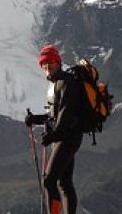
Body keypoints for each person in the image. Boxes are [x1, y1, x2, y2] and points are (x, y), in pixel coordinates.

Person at [25, 45, 83, 214]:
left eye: (50, 62)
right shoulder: (55, 84)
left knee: (49, 181)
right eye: (44, 64)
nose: (47, 67)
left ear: (58, 62)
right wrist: (35, 119)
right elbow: (54, 114)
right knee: (64, 183)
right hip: (64, 137)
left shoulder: (66, 82)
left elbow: (66, 112)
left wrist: (54, 134)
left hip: (67, 138)